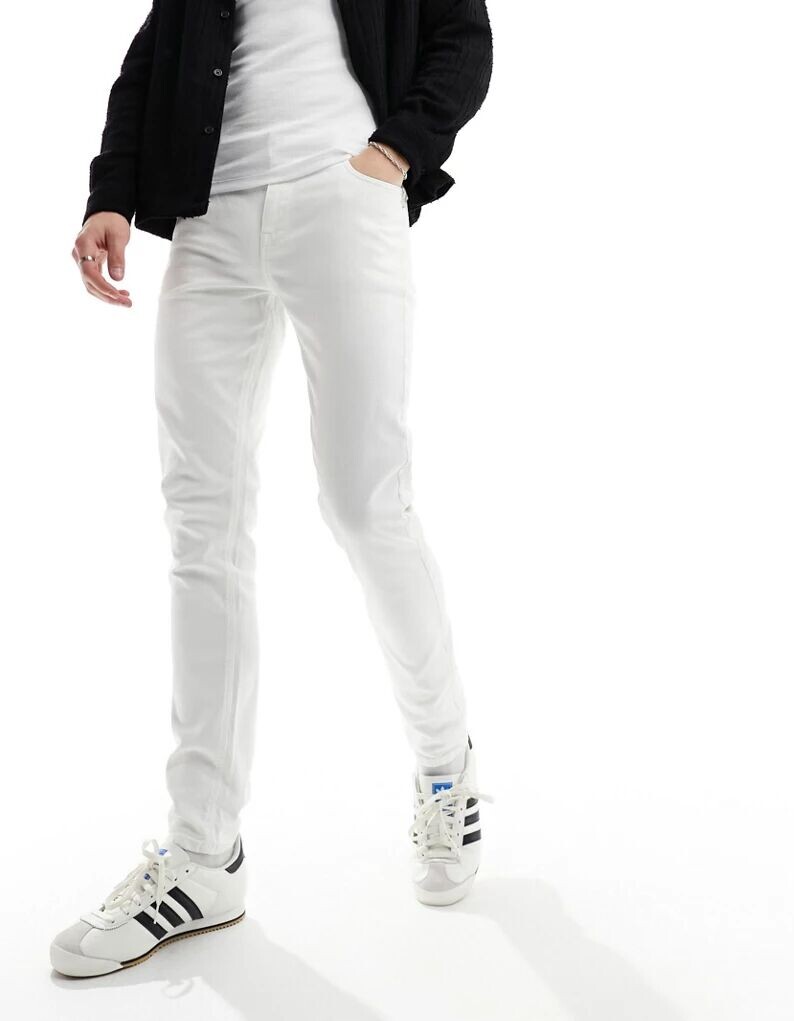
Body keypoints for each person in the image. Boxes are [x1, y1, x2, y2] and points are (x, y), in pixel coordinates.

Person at [52, 0, 493, 977]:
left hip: (342, 193)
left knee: (364, 502)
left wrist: (395, 151)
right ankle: (203, 853)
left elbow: (461, 37)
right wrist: (111, 193)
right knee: (200, 524)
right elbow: (151, 57)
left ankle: (443, 770)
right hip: (210, 215)